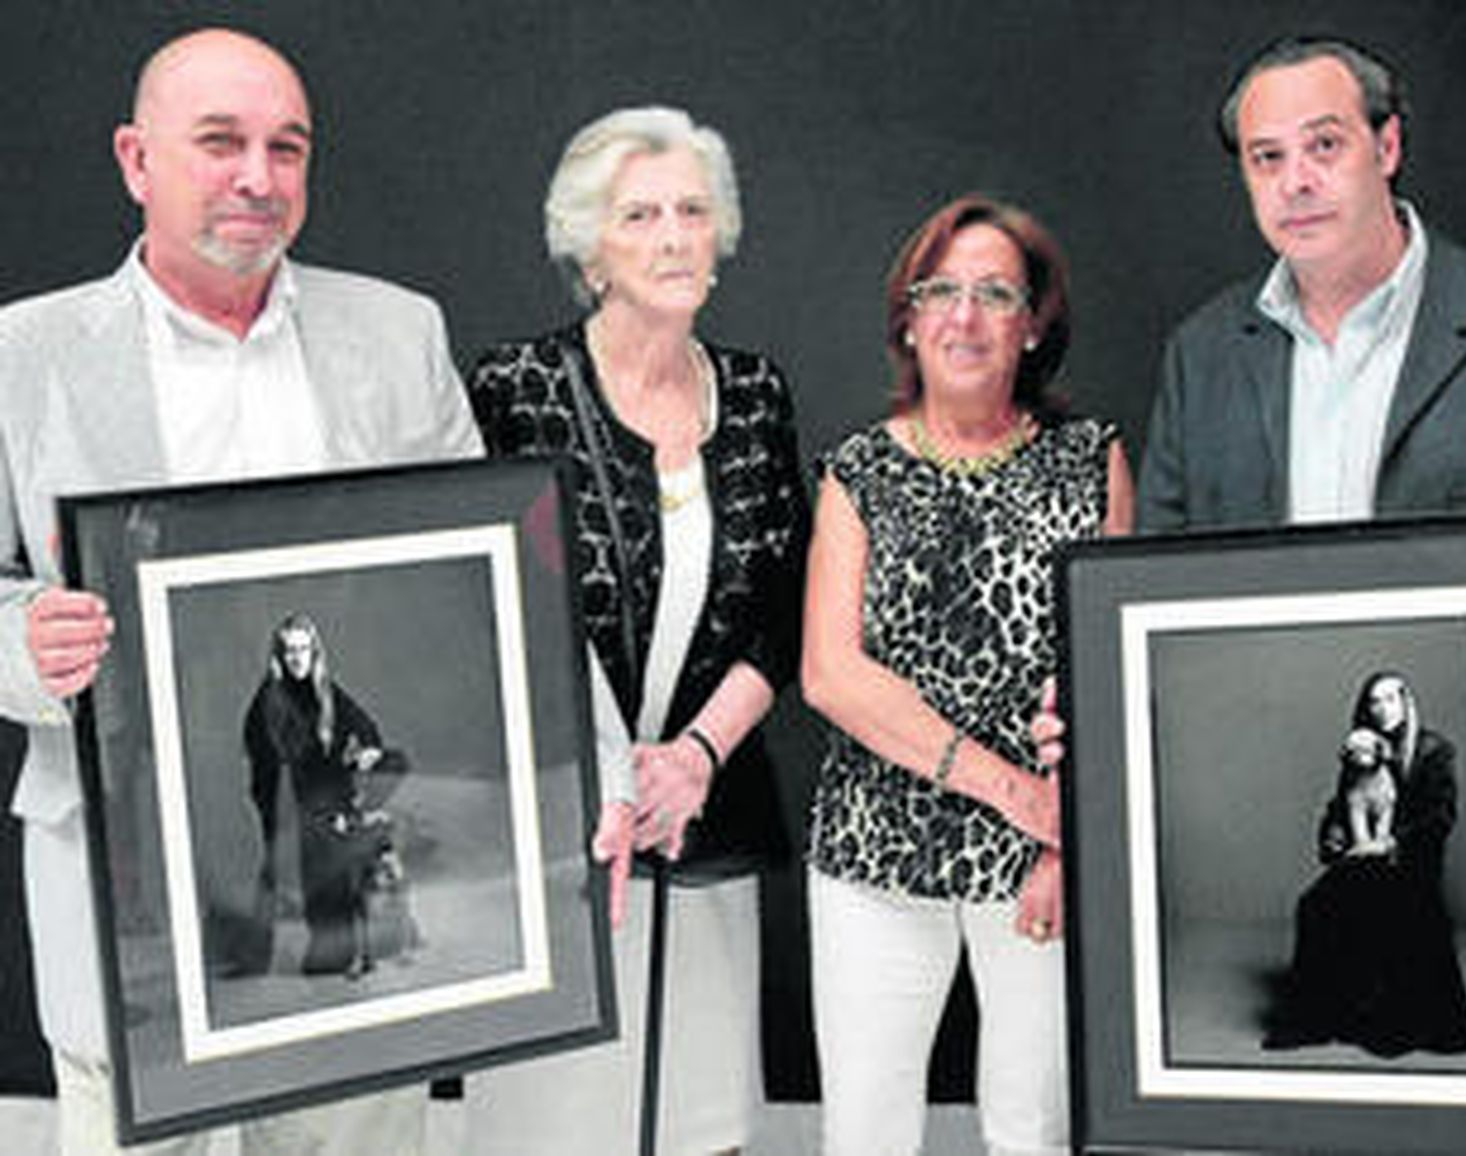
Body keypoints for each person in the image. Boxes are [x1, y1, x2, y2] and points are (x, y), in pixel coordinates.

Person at [0, 27, 480, 1156]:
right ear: (134, 160)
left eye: (287, 147)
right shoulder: (21, 355)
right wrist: (26, 644)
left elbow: (481, 580)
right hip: (124, 888)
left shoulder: (399, 334)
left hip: (332, 876)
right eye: (220, 143)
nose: (259, 178)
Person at [1033, 33, 1466, 765]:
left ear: (1387, 146)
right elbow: (1159, 588)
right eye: (1267, 157)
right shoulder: (1202, 357)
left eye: (1324, 146)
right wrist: (1099, 697)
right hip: (1275, 767)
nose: (1295, 181)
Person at [463, 106, 808, 1156]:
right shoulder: (516, 389)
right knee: (560, 1119)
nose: (671, 237)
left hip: (704, 798)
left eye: (693, 212)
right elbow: (497, 614)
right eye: (640, 214)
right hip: (563, 815)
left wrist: (696, 754)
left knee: (703, 1114)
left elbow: (783, 606)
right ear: (589, 245)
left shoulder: (751, 393)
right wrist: (613, 771)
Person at [802, 195, 1134, 1156]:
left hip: (1039, 861)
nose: (965, 315)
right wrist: (1010, 789)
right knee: (866, 1132)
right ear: (908, 319)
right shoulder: (856, 470)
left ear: (1033, 325)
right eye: (940, 290)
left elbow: (1109, 666)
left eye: (996, 293)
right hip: (874, 854)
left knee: (1033, 1127)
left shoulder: (1090, 459)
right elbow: (830, 674)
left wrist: (1066, 843)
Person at [1263, 672, 1466, 1057]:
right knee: (1315, 906)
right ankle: (1320, 1017)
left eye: (1390, 699)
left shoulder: (1433, 750)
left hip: (1408, 861)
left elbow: (1440, 816)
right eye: (1374, 702)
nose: (1382, 709)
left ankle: (1393, 1020)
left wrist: (1389, 843)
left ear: (1406, 702)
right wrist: (1332, 834)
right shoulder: (1358, 747)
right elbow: (1341, 803)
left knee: (1395, 908)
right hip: (1362, 856)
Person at [243, 612, 414, 979]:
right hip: (295, 801)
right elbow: (263, 763)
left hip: (334, 794)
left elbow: (367, 730)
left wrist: (366, 752)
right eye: (289, 651)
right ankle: (327, 945)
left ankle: (359, 938)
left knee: (396, 763)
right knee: (316, 847)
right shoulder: (268, 700)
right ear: (279, 655)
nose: (297, 658)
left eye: (304, 649)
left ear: (315, 652)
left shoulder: (328, 693)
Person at [1331, 726, 1396, 858]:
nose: (1360, 757)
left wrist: (1381, 838)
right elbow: (1355, 812)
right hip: (1352, 842)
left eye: (1366, 751)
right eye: (1354, 752)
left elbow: (1387, 808)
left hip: (1389, 849)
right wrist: (1362, 842)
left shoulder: (1386, 780)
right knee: (1358, 814)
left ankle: (1379, 839)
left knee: (1384, 813)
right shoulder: (1351, 783)